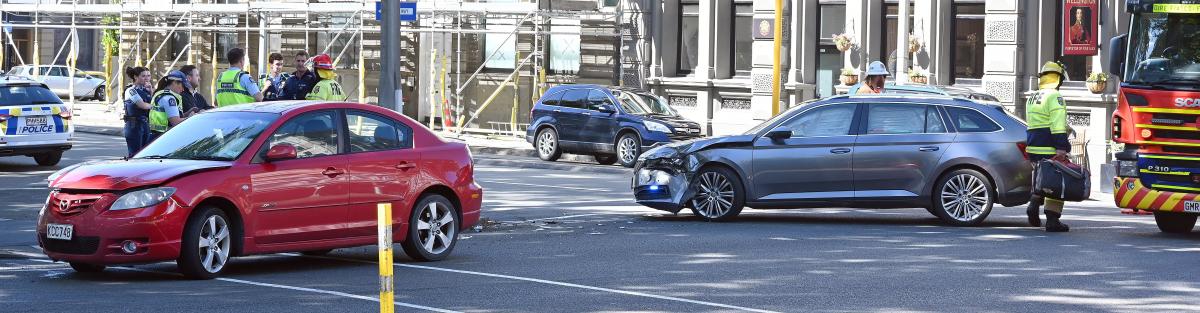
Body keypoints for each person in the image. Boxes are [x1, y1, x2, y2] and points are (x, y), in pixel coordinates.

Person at [1024, 61, 1073, 233]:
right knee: (1057, 183)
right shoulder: (1055, 96)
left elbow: (1037, 122)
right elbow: (1057, 125)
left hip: (1033, 147)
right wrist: (1062, 147)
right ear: (1058, 79)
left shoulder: (1033, 96)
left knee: (1041, 180)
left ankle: (1033, 205)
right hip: (1049, 147)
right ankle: (1052, 221)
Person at [149, 70, 194, 139]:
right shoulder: (169, 98)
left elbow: (172, 115)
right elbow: (175, 122)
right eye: (183, 86)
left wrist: (189, 112)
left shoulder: (162, 94)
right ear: (175, 82)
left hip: (157, 136)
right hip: (163, 137)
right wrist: (192, 117)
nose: (183, 89)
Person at [122, 67, 154, 157]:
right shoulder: (131, 90)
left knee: (145, 154)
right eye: (143, 76)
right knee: (135, 155)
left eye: (148, 75)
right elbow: (142, 105)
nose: (147, 78)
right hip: (134, 125)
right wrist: (155, 107)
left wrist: (151, 92)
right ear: (136, 77)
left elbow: (150, 103)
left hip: (145, 123)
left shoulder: (145, 90)